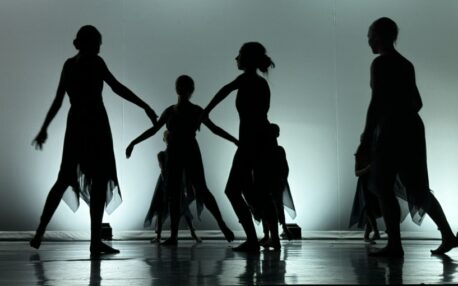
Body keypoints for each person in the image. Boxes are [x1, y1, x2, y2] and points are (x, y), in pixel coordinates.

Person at [30, 25, 157, 255]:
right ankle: (94, 242)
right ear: (90, 43)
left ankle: (41, 230)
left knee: (64, 177)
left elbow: (59, 99)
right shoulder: (95, 63)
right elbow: (117, 88)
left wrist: (44, 128)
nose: (100, 46)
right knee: (98, 181)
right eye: (98, 42)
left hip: (76, 124)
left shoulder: (70, 64)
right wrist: (145, 106)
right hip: (96, 125)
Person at [357, 17, 458, 257]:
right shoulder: (405, 64)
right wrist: (403, 114)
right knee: (417, 188)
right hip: (411, 128)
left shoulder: (380, 64)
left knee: (383, 185)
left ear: (380, 37)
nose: (368, 39)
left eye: (370, 34)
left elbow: (376, 103)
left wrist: (367, 137)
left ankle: (395, 244)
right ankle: (447, 234)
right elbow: (418, 102)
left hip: (392, 130)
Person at [126, 75, 237, 245]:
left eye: (184, 86)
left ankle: (220, 224)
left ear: (189, 90)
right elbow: (154, 129)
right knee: (175, 193)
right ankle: (174, 236)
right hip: (175, 153)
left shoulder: (193, 111)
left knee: (200, 189)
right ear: (177, 89)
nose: (182, 89)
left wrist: (235, 140)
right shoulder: (171, 111)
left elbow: (215, 129)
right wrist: (134, 142)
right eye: (180, 85)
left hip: (188, 151)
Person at [200, 42, 275, 252]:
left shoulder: (248, 79)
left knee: (233, 190)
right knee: (254, 191)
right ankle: (267, 238)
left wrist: (205, 112)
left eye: (239, 54)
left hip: (251, 142)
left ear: (248, 59)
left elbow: (224, 91)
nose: (236, 58)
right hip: (256, 141)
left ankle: (253, 239)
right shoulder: (258, 82)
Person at [144, 133, 201, 243]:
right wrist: (166, 186)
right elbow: (163, 172)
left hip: (176, 182)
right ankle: (159, 236)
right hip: (164, 183)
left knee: (183, 207)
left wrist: (184, 186)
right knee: (160, 207)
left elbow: (184, 172)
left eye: (171, 138)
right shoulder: (162, 154)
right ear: (164, 139)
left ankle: (193, 233)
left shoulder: (178, 154)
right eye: (167, 138)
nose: (169, 140)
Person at [259, 123, 296, 249]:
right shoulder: (278, 150)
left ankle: (269, 235)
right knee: (275, 207)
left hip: (273, 182)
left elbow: (284, 169)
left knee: (268, 209)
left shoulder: (269, 150)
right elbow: (286, 168)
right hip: (275, 182)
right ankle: (274, 233)